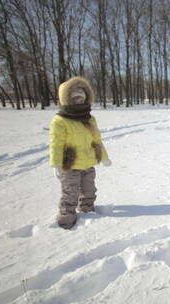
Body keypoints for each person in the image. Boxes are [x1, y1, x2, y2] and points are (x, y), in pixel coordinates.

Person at [49, 76, 112, 229]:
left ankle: (87, 211)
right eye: (75, 98)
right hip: (69, 166)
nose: (79, 101)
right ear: (66, 99)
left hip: (88, 163)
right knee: (70, 193)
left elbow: (96, 140)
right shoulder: (60, 120)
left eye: (81, 98)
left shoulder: (90, 119)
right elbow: (56, 143)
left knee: (89, 190)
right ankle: (66, 219)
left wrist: (104, 157)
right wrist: (56, 163)